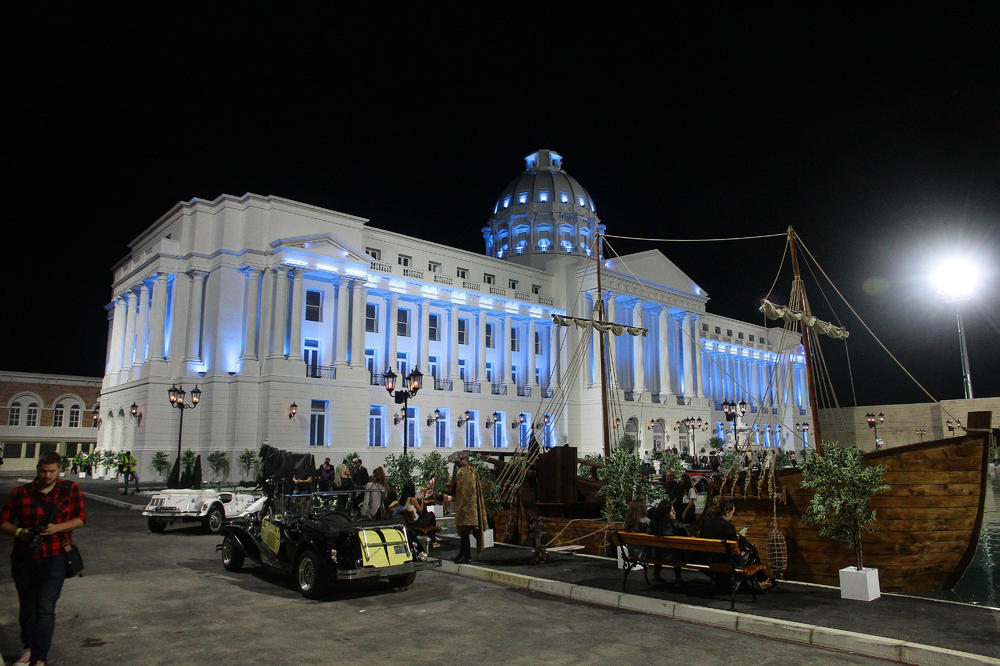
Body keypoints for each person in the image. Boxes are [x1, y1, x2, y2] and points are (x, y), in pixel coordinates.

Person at [1, 452, 86, 666]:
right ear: (37, 470)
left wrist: (57, 528)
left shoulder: (70, 490)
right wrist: (20, 532)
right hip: (25, 557)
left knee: (45, 607)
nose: (47, 475)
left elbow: (80, 519)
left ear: (59, 470)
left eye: (52, 471)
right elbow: (3, 522)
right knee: (27, 607)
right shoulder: (21, 493)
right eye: (43, 471)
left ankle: (40, 657)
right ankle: (28, 649)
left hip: (55, 556)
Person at [700, 498, 776, 591]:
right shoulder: (728, 526)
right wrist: (741, 537)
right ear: (727, 512)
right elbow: (735, 549)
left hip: (706, 559)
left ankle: (761, 581)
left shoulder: (706, 522)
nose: (732, 516)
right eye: (732, 513)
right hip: (724, 561)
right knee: (752, 552)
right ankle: (762, 581)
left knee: (747, 548)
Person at [452, 452, 488, 564]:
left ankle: (467, 557)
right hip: (472, 507)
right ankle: (462, 554)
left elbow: (461, 491)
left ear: (461, 460)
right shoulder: (472, 470)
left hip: (465, 508)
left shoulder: (462, 472)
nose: (456, 464)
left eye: (457, 462)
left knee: (464, 533)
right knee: (464, 533)